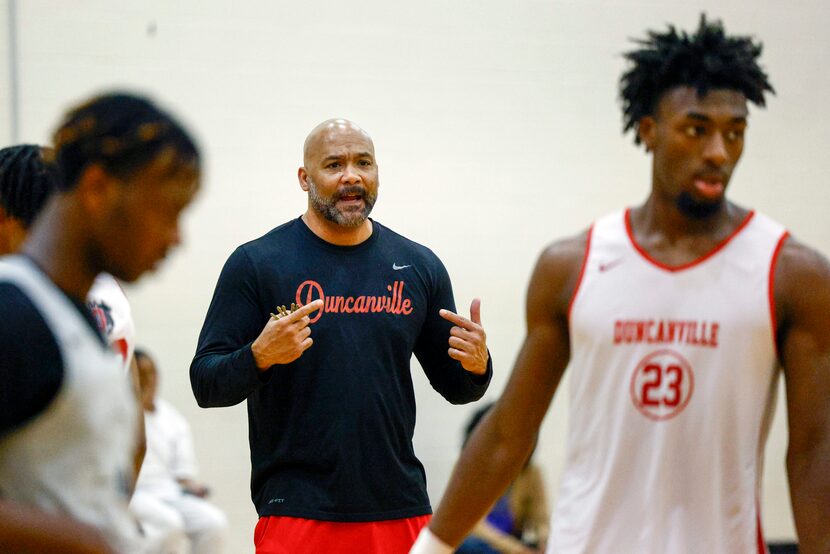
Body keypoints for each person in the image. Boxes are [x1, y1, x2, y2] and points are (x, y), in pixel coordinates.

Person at [411, 15, 830, 554]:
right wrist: (431, 547)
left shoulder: (793, 274)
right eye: (697, 129)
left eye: (735, 132)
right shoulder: (571, 266)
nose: (719, 152)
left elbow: (816, 451)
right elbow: (507, 435)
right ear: (649, 130)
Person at [191, 118, 492, 553]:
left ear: (377, 173)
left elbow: (458, 388)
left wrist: (478, 364)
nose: (351, 175)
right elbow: (206, 382)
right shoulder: (257, 263)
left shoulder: (419, 266)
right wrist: (258, 356)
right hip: (297, 509)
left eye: (363, 163)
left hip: (399, 505)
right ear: (304, 178)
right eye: (334, 164)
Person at [0, 93, 201, 553]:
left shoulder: (88, 313)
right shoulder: (13, 311)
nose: (177, 238)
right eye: (167, 211)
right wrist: (90, 543)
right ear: (97, 188)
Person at [0, 143, 147, 483]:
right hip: (92, 498)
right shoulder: (107, 291)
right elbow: (137, 438)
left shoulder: (17, 296)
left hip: (39, 513)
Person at [131, 348, 227, 554]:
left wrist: (194, 487)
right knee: (169, 525)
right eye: (142, 374)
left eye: (152, 373)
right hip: (135, 493)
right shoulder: (119, 414)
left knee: (213, 522)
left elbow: (183, 475)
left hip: (168, 492)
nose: (149, 380)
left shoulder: (171, 418)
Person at [456, 403, 548, 554]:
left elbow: (542, 519)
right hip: (483, 545)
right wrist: (515, 549)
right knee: (469, 545)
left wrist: (543, 540)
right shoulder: (468, 470)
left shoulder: (531, 472)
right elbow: (473, 526)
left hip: (513, 542)